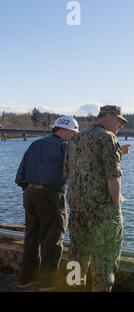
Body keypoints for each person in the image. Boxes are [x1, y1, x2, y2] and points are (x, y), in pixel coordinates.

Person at [64, 105, 130, 292]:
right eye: (119, 122)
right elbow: (113, 177)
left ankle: (72, 288)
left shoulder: (76, 138)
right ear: (108, 117)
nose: (120, 126)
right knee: (105, 258)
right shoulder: (108, 138)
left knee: (77, 253)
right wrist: (116, 207)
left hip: (77, 208)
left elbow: (67, 174)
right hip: (102, 211)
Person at [15, 116, 79, 291]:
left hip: (29, 193)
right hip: (51, 195)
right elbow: (77, 171)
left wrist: (31, 188)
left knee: (31, 237)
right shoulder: (64, 147)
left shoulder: (35, 145)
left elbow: (19, 175)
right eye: (74, 133)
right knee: (52, 240)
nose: (74, 137)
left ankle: (25, 279)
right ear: (65, 131)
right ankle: (47, 283)